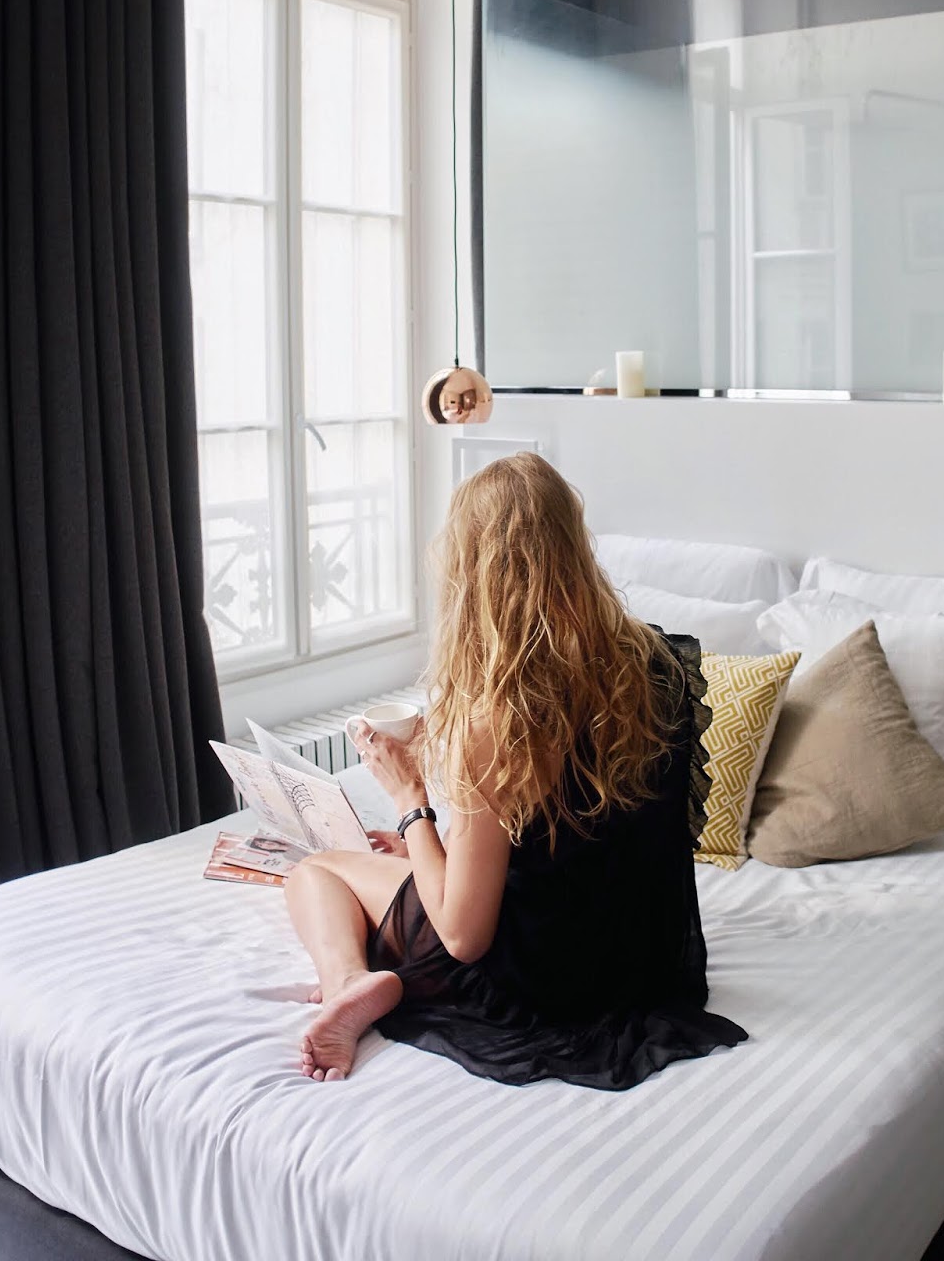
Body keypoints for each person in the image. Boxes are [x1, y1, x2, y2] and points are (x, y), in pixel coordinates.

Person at [285, 452, 746, 1089]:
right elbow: (578, 843)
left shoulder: (501, 717)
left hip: (533, 984)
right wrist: (430, 846)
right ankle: (358, 978)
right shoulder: (655, 665)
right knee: (397, 865)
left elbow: (463, 938)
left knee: (315, 871)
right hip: (635, 964)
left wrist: (411, 799)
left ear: (473, 571)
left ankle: (348, 983)